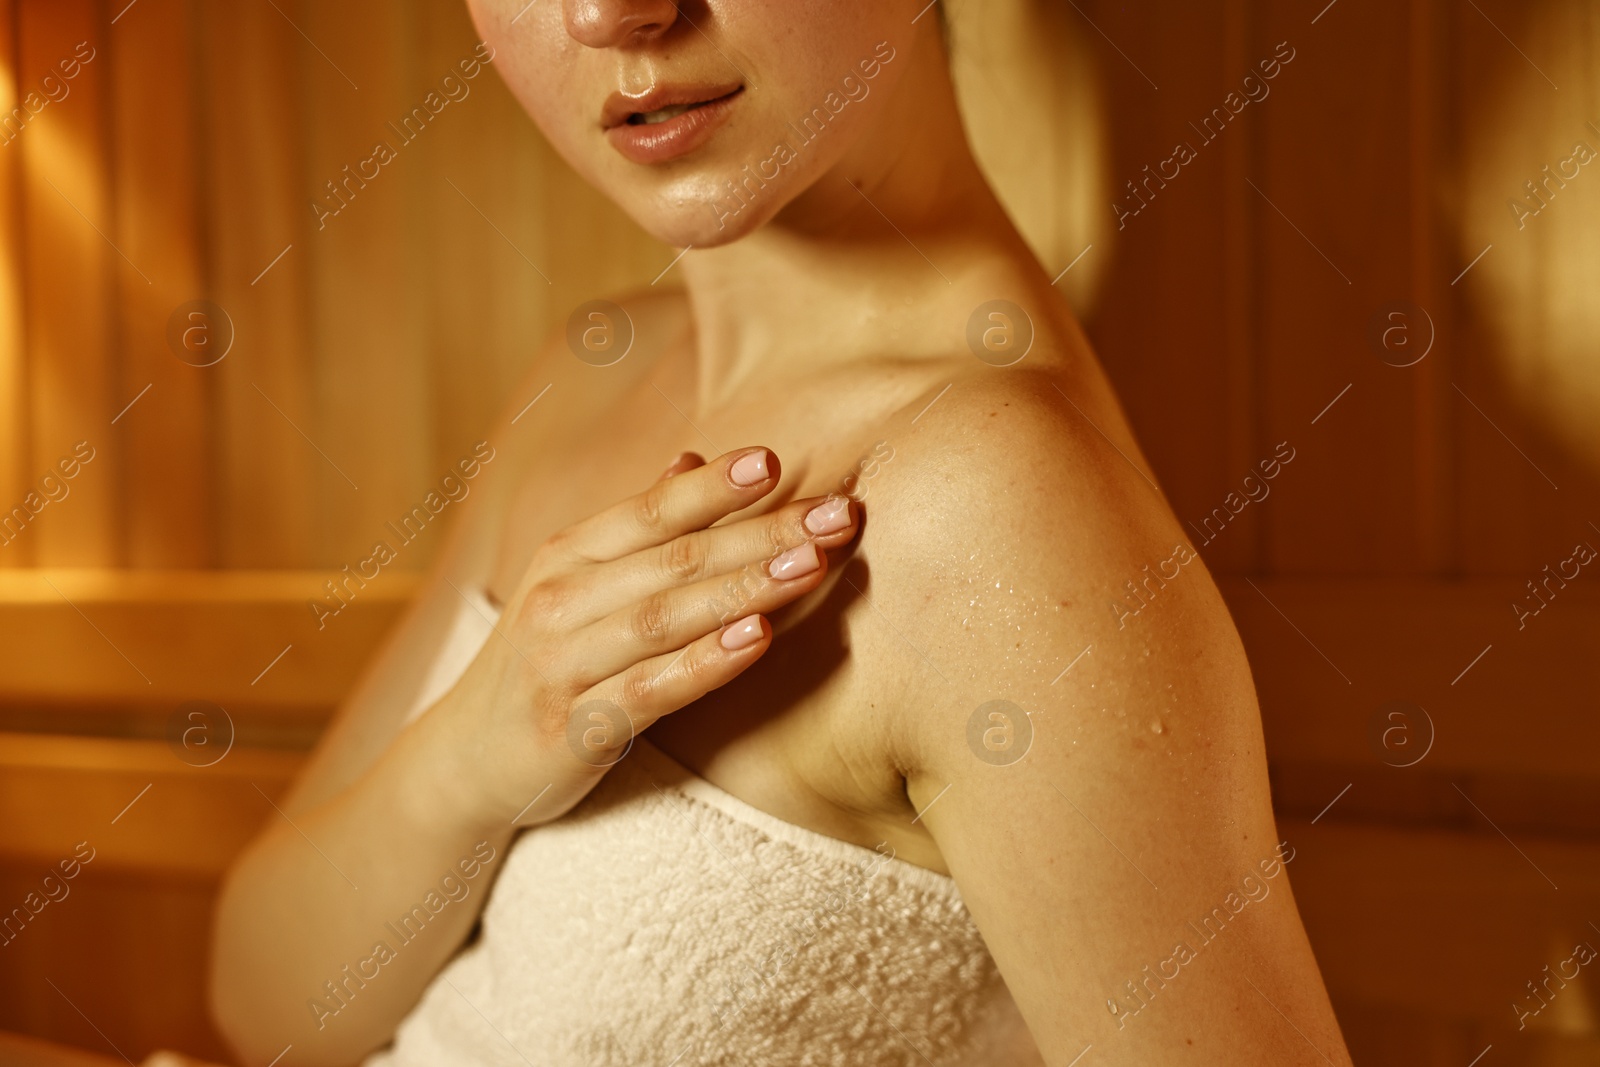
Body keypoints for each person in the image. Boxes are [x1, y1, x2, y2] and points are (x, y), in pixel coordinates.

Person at [209, 2, 1355, 1065]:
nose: (612, 11)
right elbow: (262, 1005)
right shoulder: (587, 377)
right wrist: (478, 750)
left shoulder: (992, 510)